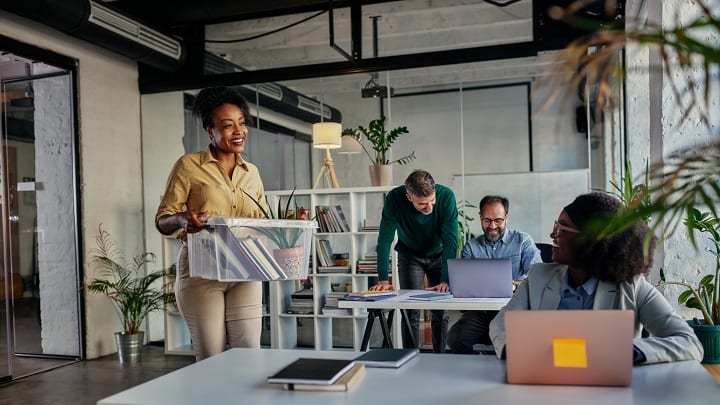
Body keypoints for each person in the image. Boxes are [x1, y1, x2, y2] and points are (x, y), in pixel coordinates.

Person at [489, 192, 704, 364]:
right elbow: (501, 324)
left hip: (609, 392)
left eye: (561, 228)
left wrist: (628, 352)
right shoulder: (538, 277)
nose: (552, 235)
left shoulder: (631, 287)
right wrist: (512, 349)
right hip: (546, 385)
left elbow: (689, 342)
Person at [155, 86, 268, 361]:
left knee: (248, 355)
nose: (238, 131)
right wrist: (183, 218)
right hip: (201, 272)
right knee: (211, 358)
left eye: (242, 123)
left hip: (245, 269)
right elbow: (162, 220)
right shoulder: (188, 166)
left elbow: (262, 220)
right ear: (210, 130)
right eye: (228, 126)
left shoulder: (251, 172)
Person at [369, 169, 458, 352]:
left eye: (432, 201)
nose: (429, 208)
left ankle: (440, 355)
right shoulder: (394, 199)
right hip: (410, 255)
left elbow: (451, 240)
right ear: (409, 197)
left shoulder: (447, 196)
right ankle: (410, 356)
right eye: (422, 204)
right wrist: (384, 279)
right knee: (411, 309)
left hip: (439, 253)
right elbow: (384, 238)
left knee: (441, 310)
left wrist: (445, 279)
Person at [447, 195, 542, 354]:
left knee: (521, 343)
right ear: (480, 217)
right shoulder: (471, 247)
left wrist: (513, 284)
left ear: (507, 217)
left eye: (498, 220)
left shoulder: (523, 241)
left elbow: (536, 276)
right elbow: (464, 283)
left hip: (513, 311)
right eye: (487, 220)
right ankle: (477, 366)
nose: (492, 226)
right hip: (481, 314)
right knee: (455, 338)